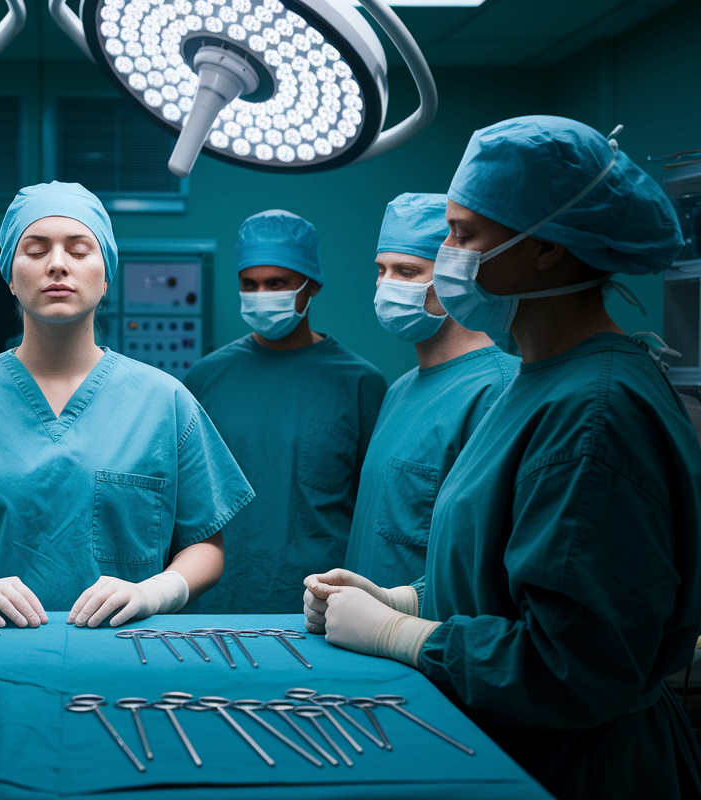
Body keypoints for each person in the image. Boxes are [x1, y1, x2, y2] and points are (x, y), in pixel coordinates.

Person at [305, 116, 701, 799]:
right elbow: (513, 575)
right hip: (508, 746)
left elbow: (573, 667)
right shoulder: (533, 380)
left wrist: (404, 635)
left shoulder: (594, 415)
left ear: (547, 246)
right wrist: (402, 595)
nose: (449, 253)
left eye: (464, 236)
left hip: (578, 770)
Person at [0, 181, 253, 628]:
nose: (57, 265)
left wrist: (155, 592)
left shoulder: (165, 403)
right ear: (9, 276)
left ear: (106, 275)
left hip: (128, 660)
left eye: (79, 249)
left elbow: (205, 544)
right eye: (35, 249)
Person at [182, 210, 387, 614]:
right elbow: (185, 502)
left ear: (311, 285)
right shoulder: (205, 378)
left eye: (276, 283)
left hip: (321, 605)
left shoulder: (360, 383)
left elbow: (375, 511)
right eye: (250, 284)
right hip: (217, 602)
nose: (261, 294)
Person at [341, 193, 519, 589]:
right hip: (358, 635)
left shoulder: (500, 391)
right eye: (381, 270)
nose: (386, 286)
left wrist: (396, 617)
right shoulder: (400, 390)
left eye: (406, 271)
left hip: (428, 638)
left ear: (458, 277)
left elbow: (493, 556)